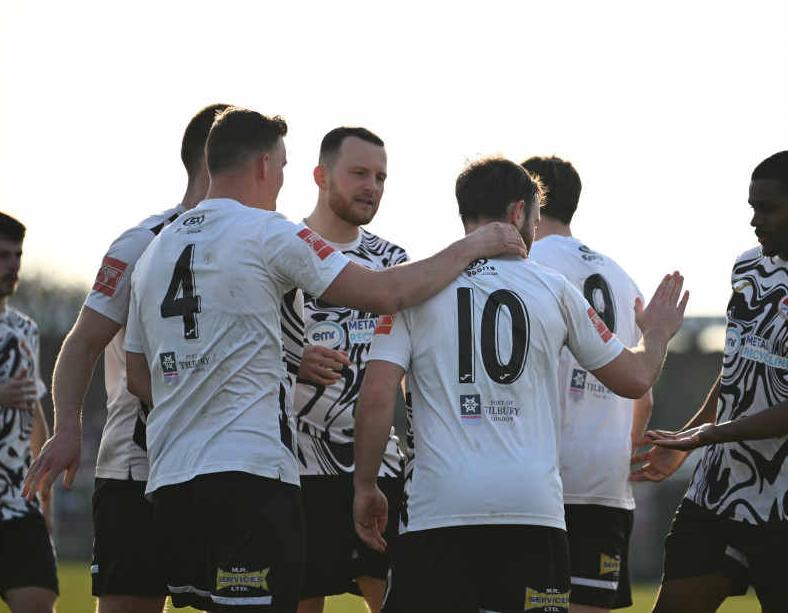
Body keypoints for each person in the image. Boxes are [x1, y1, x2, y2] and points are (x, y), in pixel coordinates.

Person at [122, 107, 526, 612]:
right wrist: (474, 245)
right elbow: (382, 292)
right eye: (284, 168)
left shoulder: (157, 249)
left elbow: (139, 373)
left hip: (172, 476)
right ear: (265, 165)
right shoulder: (267, 231)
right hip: (250, 472)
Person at [352, 156, 689, 613]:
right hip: (534, 512)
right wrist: (657, 334)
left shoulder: (415, 289)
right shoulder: (554, 288)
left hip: (441, 510)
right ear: (518, 213)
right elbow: (635, 379)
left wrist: (366, 486)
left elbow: (374, 399)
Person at [632, 150, 788, 613]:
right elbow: (737, 371)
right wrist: (688, 437)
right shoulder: (748, 267)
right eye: (752, 208)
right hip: (716, 494)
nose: (755, 221)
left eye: (769, 208)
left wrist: (707, 435)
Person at [21, 103, 230, 613]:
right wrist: (67, 427)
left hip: (230, 466)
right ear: (217, 161)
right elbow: (82, 341)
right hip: (137, 468)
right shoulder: (142, 242)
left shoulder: (262, 245)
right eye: (266, 163)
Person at [286, 127, 408, 613]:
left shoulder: (392, 262)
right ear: (321, 176)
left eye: (380, 177)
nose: (371, 187)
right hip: (296, 466)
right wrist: (295, 360)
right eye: (358, 173)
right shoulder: (282, 252)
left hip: (377, 466)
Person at [523, 155, 649, 613]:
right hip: (606, 480)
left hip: (540, 477)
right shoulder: (623, 277)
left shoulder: (525, 263)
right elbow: (643, 395)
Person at [0, 212, 57, 613]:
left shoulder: (24, 330)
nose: (14, 264)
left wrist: (45, 492)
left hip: (18, 504)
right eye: (2, 255)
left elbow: (32, 406)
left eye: (17, 254)